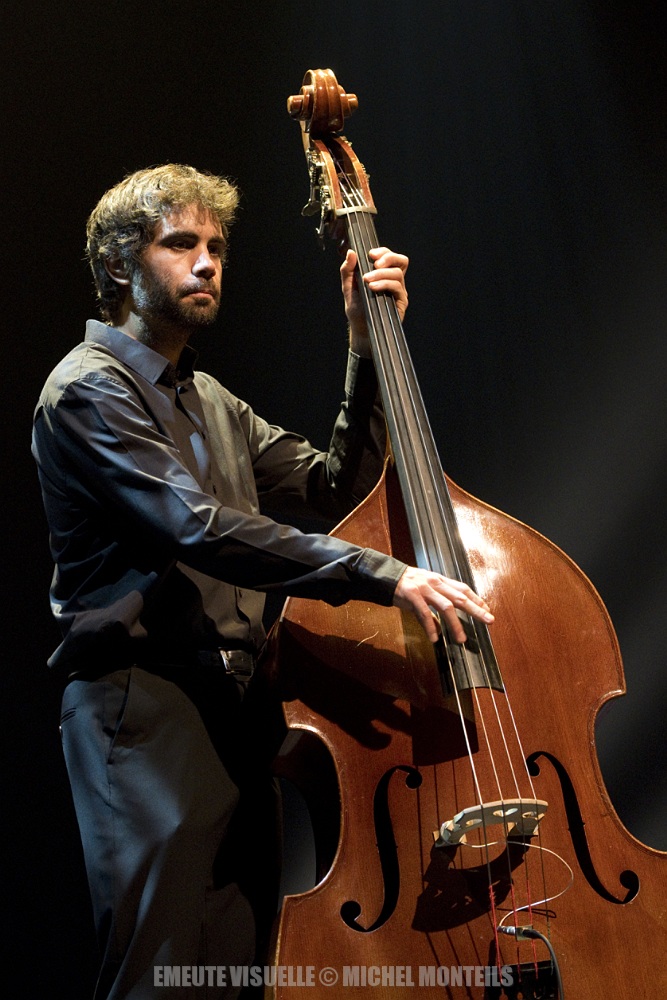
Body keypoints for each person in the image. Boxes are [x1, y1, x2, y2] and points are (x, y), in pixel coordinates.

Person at [32, 164, 493, 999]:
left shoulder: (210, 399)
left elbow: (336, 490)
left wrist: (365, 348)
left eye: (216, 246)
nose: (207, 262)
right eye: (181, 244)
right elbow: (197, 528)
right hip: (144, 708)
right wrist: (380, 574)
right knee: (163, 975)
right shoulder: (88, 391)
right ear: (118, 266)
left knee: (238, 972)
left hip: (240, 708)